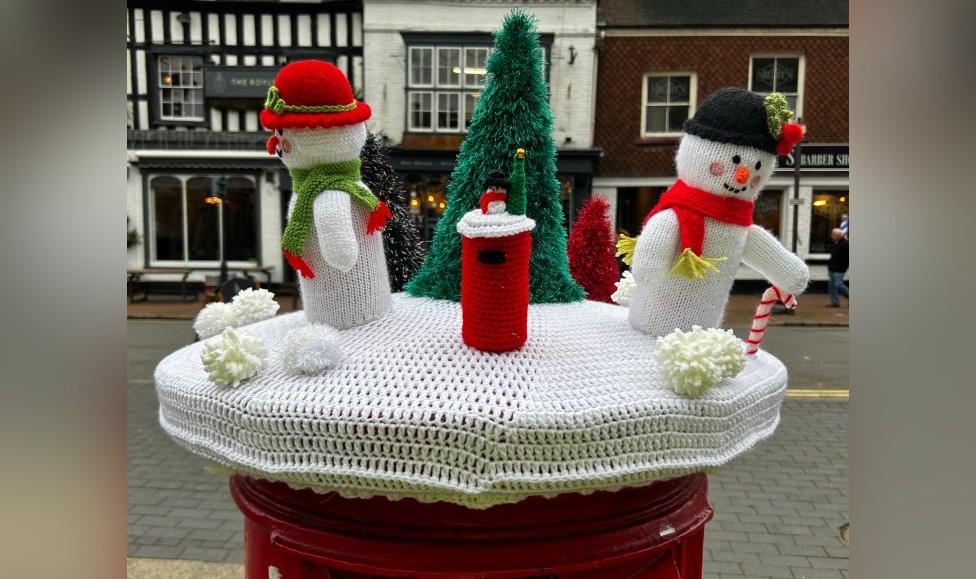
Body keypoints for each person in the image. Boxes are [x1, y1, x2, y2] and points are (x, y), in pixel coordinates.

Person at [826, 228, 849, 307]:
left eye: (833, 235)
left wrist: (843, 266)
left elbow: (847, 258)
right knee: (831, 286)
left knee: (838, 284)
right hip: (832, 268)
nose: (831, 236)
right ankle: (835, 302)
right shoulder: (835, 243)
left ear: (838, 235)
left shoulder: (846, 244)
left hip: (840, 269)